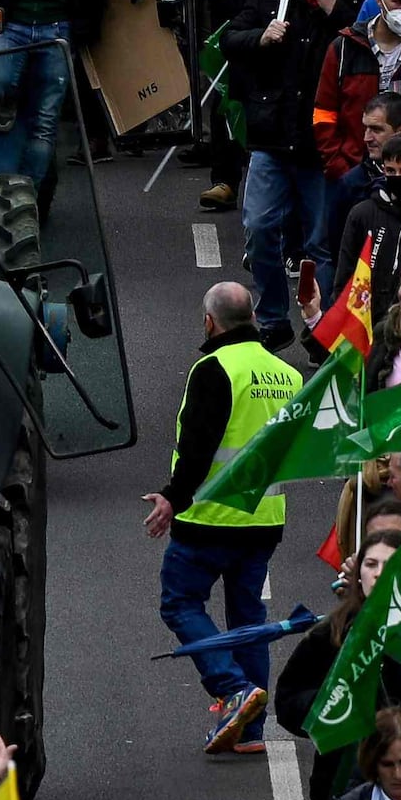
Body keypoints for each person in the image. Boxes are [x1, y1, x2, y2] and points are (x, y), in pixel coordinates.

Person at [144, 279, 300, 758]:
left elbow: (198, 446)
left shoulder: (212, 368)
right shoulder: (287, 374)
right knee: (248, 617)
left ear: (210, 322)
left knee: (180, 602)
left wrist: (173, 497)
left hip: (210, 517)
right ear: (253, 318)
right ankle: (251, 732)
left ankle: (232, 688)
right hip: (264, 518)